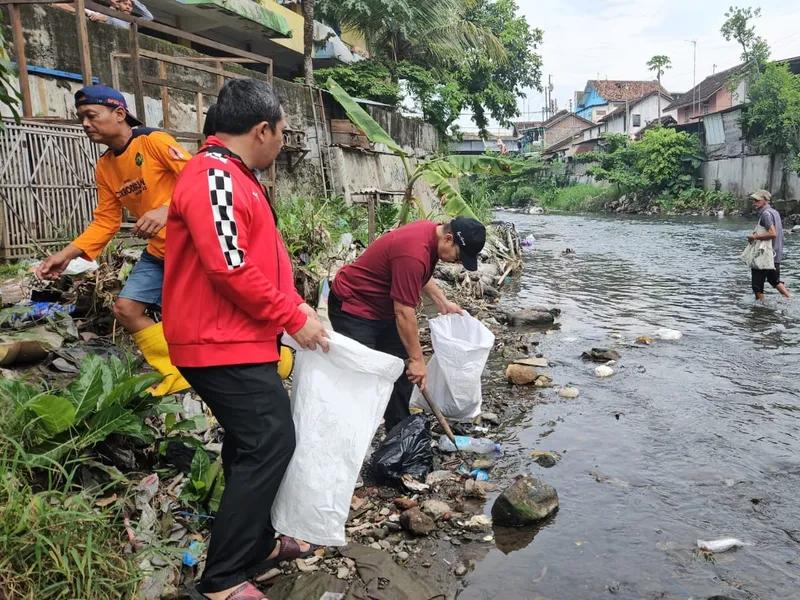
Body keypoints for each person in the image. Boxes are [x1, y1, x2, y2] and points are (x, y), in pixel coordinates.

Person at [162, 78, 329, 600]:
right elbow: (229, 266)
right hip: (217, 341)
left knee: (248, 444)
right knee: (271, 441)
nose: (283, 142)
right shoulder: (212, 174)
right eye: (283, 132)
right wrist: (291, 315)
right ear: (263, 129)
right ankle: (223, 580)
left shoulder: (237, 174)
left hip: (239, 338)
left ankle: (256, 543)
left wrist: (295, 305)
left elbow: (251, 260)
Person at [35, 85, 191, 396]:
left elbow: (200, 180)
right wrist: (65, 255)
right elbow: (106, 220)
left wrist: (166, 208)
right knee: (126, 309)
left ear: (119, 114)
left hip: (193, 248)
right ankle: (176, 372)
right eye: (81, 117)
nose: (85, 124)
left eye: (91, 115)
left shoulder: (154, 142)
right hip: (159, 252)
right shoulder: (105, 167)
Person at [329, 217, 486, 432]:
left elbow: (418, 275)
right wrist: (417, 359)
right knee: (362, 375)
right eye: (459, 256)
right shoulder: (414, 252)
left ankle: (398, 432)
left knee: (401, 369)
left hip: (383, 307)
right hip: (354, 305)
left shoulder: (431, 235)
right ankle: (349, 436)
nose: (457, 262)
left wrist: (442, 302)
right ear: (448, 239)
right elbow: (403, 312)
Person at [748, 189, 791, 301]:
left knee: (757, 285)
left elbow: (773, 233)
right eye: (753, 200)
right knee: (774, 280)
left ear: (765, 201)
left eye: (757, 200)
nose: (754, 203)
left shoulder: (765, 214)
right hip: (775, 254)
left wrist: (754, 237)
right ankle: (790, 299)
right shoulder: (774, 212)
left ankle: (760, 310)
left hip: (765, 254)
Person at [56, 0, 153, 28]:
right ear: (118, 5)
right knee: (83, 6)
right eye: (125, 4)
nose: (128, 7)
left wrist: (135, 1)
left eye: (130, 5)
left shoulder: (131, 22)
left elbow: (149, 17)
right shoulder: (109, 12)